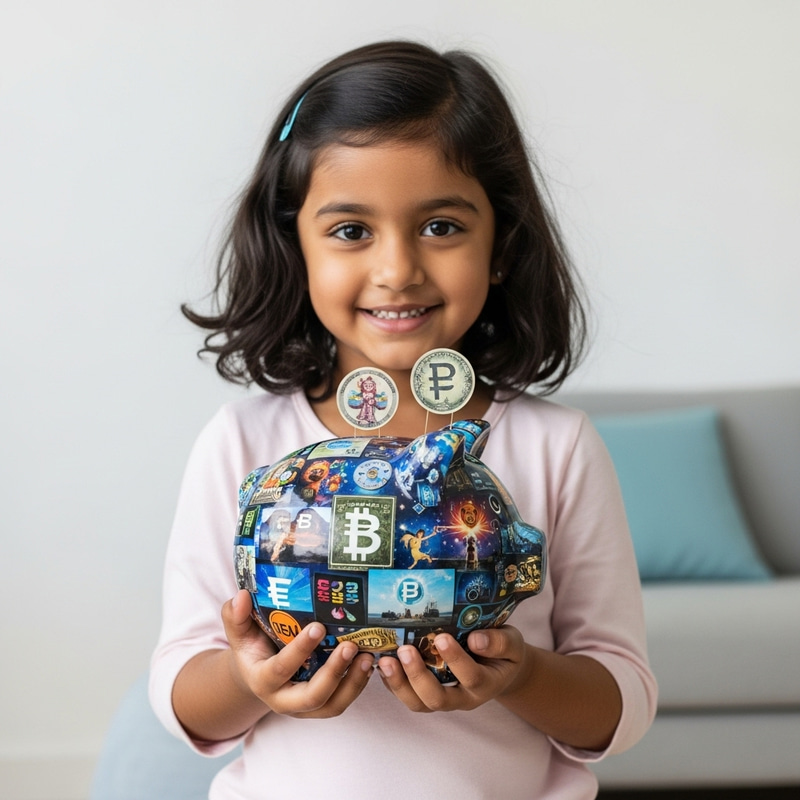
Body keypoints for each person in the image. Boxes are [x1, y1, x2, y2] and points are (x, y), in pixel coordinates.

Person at [149, 40, 657, 799]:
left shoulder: (558, 447)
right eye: (351, 230)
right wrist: (251, 677)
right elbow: (184, 694)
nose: (398, 270)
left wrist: (519, 675)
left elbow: (620, 703)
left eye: (441, 226)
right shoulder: (243, 443)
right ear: (296, 247)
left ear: (502, 247)